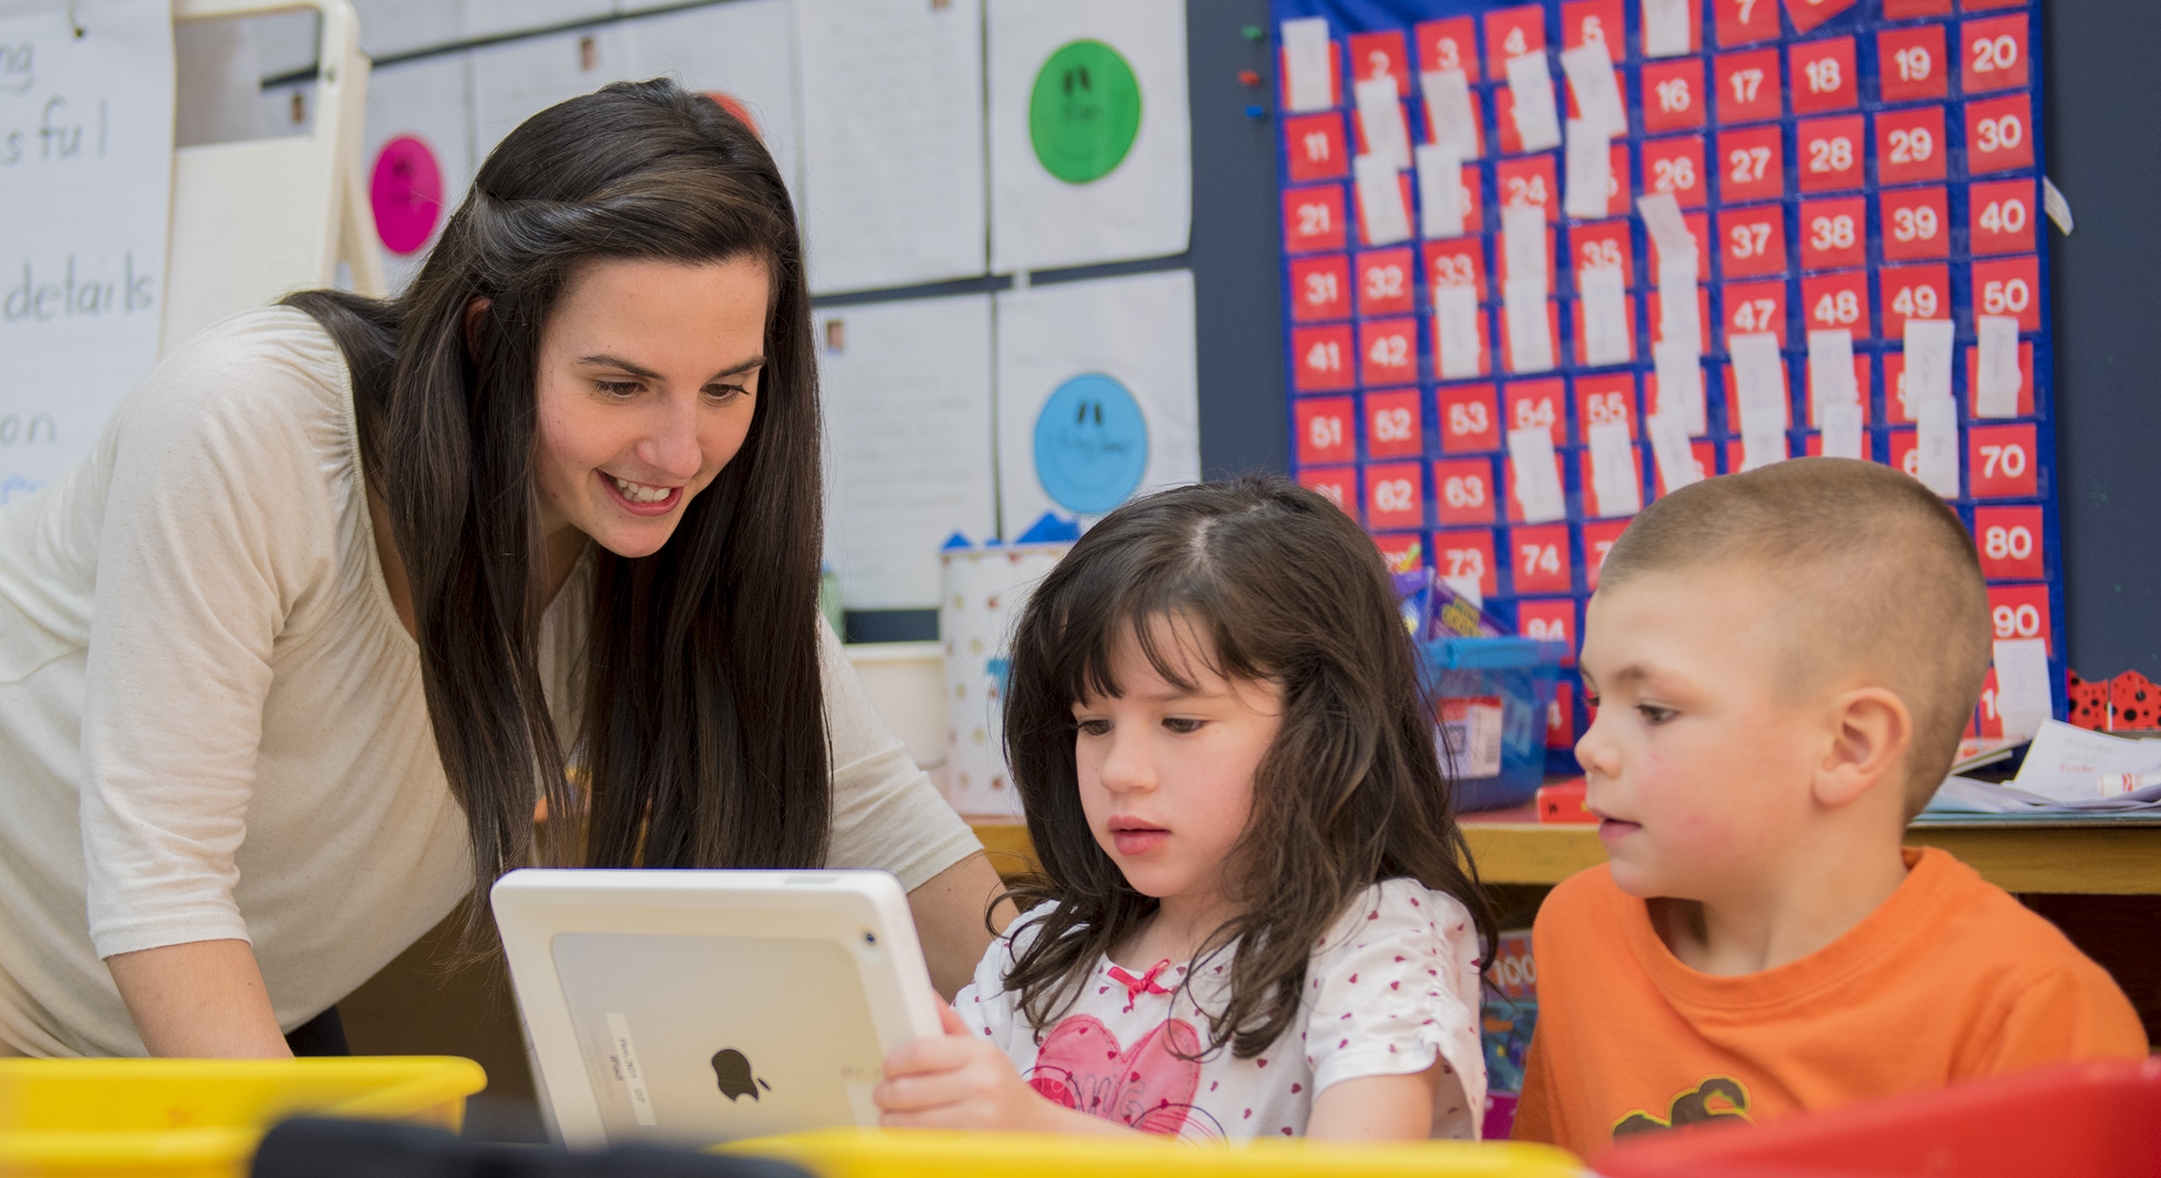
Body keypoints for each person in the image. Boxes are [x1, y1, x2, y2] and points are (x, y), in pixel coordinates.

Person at [0, 79, 1003, 1059]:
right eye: (621, 384)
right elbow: (160, 878)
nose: (679, 451)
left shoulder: (670, 531)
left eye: (727, 388)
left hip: (160, 1032)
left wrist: (1109, 1061)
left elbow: (889, 832)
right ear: (491, 337)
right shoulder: (245, 424)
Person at [1511, 458, 2146, 1159]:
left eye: (1654, 710)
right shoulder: (1577, 930)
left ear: (1848, 746)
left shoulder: (2029, 1011)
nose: (1592, 748)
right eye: (1597, 700)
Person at [871, 478, 1498, 1141]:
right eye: (1092, 725)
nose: (1120, 771)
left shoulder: (1375, 944)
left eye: (1179, 722)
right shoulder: (1036, 954)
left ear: (1321, 728)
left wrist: (1041, 1132)